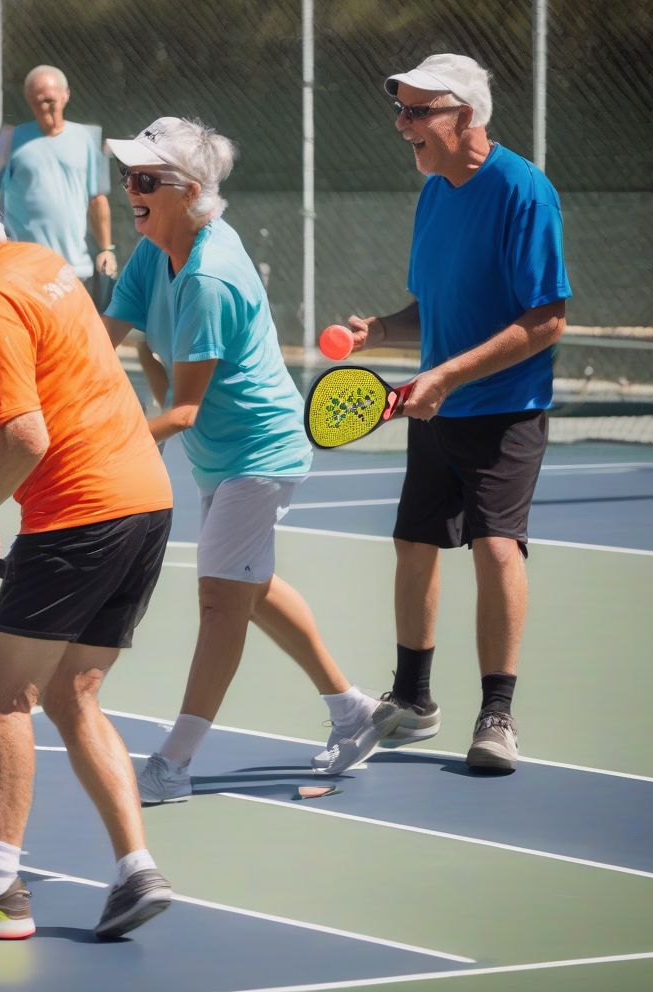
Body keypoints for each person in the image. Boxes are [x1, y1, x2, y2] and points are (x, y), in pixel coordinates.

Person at [0, 153, 174, 941]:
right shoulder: (44, 263)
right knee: (71, 694)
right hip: (146, 500)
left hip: (82, 509)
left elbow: (25, 433)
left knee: (1, 692)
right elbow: (64, 397)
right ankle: (136, 870)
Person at [101, 117, 404, 804]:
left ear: (191, 190)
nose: (132, 191)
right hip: (223, 454)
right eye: (129, 177)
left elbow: (181, 412)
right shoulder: (156, 247)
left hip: (258, 451)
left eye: (147, 180)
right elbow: (100, 339)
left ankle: (172, 766)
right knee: (250, 586)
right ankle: (353, 711)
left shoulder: (211, 275)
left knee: (218, 600)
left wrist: (99, 445)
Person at [345, 54, 570, 773]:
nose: (402, 124)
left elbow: (546, 319)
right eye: (400, 110)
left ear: (465, 117)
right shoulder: (436, 189)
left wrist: (446, 374)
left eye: (418, 112)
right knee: (415, 545)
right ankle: (413, 700)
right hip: (436, 408)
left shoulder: (524, 193)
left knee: (495, 547)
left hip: (504, 409)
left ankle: (497, 716)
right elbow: (434, 306)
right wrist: (381, 330)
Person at [0, 64, 118, 309]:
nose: (43, 107)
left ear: (65, 95)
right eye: (36, 101)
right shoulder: (8, 139)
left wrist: (106, 249)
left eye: (49, 100)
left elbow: (97, 199)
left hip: (75, 270)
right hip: (24, 270)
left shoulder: (87, 138)